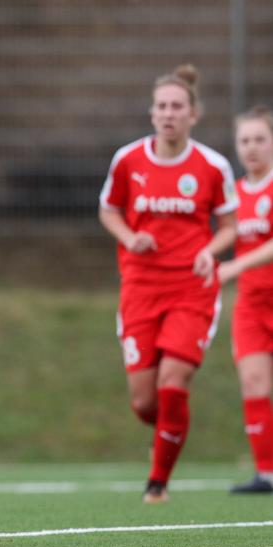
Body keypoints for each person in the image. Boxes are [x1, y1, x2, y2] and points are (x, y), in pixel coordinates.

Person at [98, 64, 238, 503]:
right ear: (152, 112)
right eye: (162, 106)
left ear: (193, 114)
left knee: (173, 383)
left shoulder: (212, 165)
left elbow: (231, 226)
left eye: (177, 106)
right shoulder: (128, 159)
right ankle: (168, 432)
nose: (169, 114)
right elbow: (109, 210)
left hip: (192, 289)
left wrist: (209, 251)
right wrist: (129, 237)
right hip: (140, 287)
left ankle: (157, 484)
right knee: (145, 403)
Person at [217, 106, 273, 493]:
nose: (251, 147)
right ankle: (266, 474)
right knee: (254, 382)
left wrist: (234, 267)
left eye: (260, 139)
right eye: (245, 140)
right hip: (252, 305)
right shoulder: (232, 196)